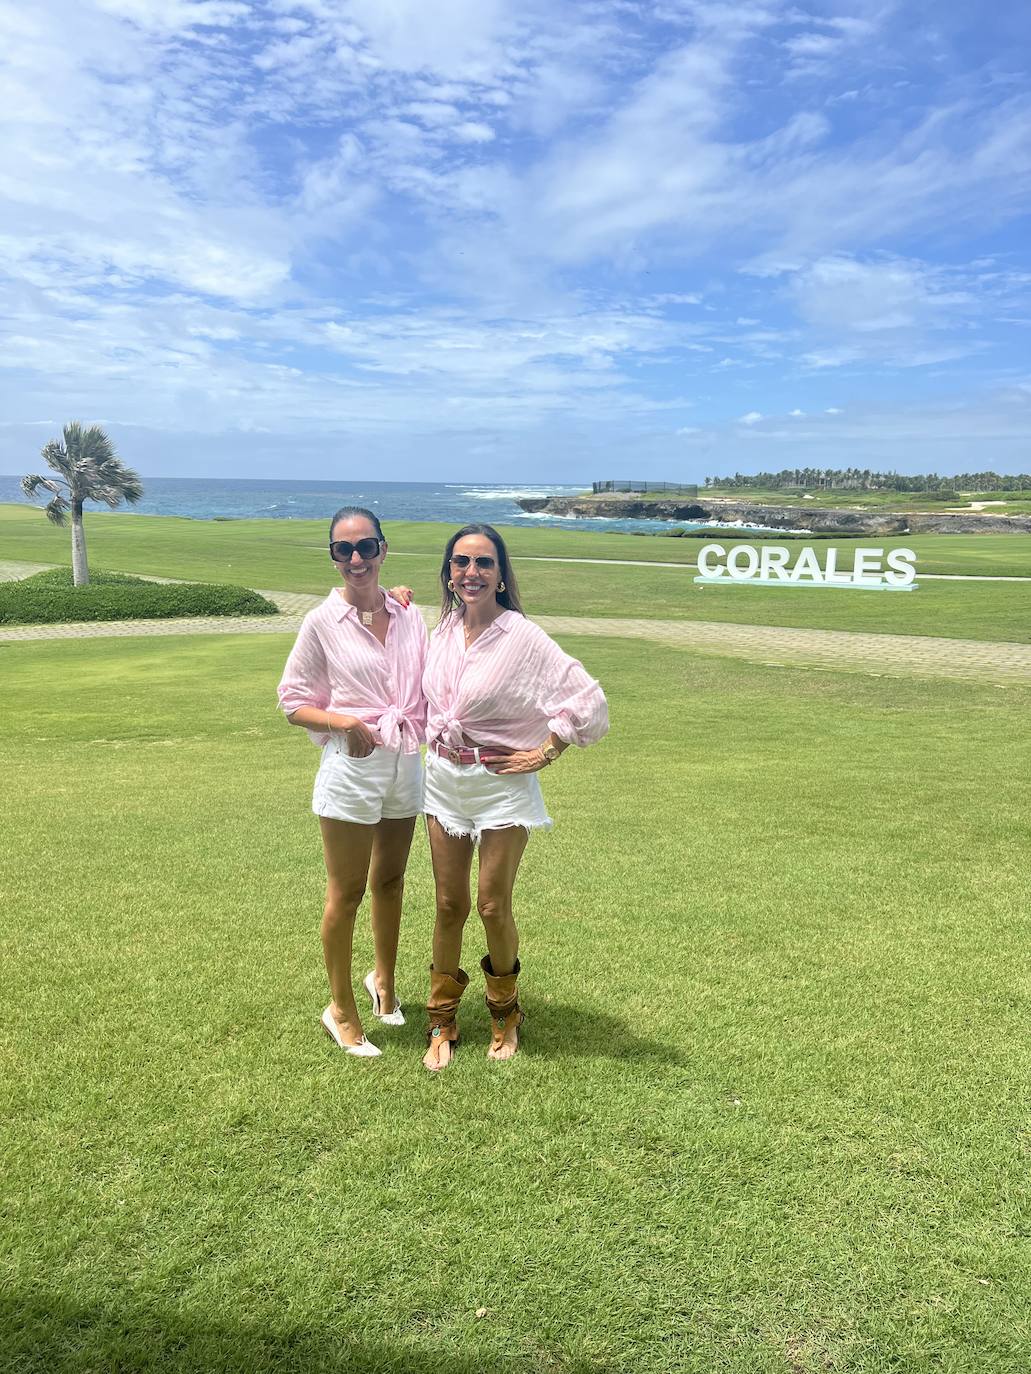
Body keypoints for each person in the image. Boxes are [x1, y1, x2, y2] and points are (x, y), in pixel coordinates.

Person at [421, 522, 608, 1072]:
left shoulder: (522, 635)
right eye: (460, 563)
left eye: (483, 563)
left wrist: (546, 751)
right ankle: (442, 1018)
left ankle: (504, 1012)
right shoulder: (443, 629)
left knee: (491, 904)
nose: (470, 573)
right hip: (442, 780)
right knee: (448, 905)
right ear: (449, 573)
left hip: (499, 783)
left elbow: (587, 699)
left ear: (501, 575)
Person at [278, 507, 427, 1058]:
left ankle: (382, 982)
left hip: (406, 763)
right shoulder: (321, 621)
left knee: (391, 881)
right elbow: (292, 702)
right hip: (350, 769)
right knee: (347, 892)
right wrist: (344, 722)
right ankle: (340, 1007)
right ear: (333, 557)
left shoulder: (410, 615)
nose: (357, 559)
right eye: (345, 550)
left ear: (384, 550)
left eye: (367, 547)